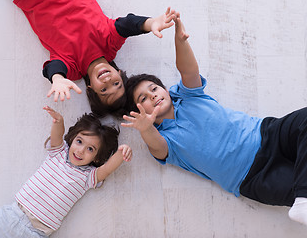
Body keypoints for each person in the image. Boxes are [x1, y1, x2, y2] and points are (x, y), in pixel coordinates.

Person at [121, 11, 307, 226]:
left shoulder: (188, 96)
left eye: (154, 88)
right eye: (143, 98)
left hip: (268, 134)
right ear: (139, 111)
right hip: (252, 176)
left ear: (165, 89)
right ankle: (302, 197)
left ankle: (303, 197)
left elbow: (188, 70)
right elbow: (156, 145)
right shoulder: (166, 141)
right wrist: (145, 129)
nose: (152, 95)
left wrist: (180, 41)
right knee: (293, 187)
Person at [0, 107, 132, 238]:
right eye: (79, 141)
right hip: (10, 215)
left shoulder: (88, 177)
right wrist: (59, 121)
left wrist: (121, 153)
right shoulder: (58, 153)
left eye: (91, 149)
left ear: (97, 158)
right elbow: (57, 137)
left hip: (37, 233)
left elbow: (106, 170)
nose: (81, 150)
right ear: (72, 139)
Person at [13, 0, 176, 117]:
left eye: (104, 90)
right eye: (116, 83)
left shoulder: (74, 68)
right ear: (119, 72)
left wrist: (57, 78)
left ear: (90, 88)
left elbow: (55, 66)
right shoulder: (109, 45)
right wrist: (150, 23)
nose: (108, 81)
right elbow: (126, 25)